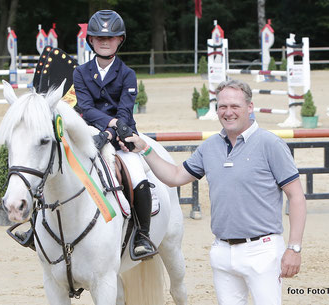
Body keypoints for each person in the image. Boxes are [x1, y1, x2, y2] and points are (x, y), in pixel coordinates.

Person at [122, 79, 307, 304]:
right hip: (222, 251)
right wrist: (146, 149)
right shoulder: (210, 147)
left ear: (250, 107)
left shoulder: (271, 144)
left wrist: (294, 248)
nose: (228, 112)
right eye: (222, 107)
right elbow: (175, 176)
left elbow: (296, 196)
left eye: (234, 106)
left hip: (263, 251)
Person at [73, 9, 156, 259]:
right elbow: (86, 109)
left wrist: (111, 134)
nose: (105, 41)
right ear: (91, 41)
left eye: (110, 38)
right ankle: (38, 228)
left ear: (120, 39)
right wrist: (110, 126)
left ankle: (143, 235)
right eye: (99, 38)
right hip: (88, 133)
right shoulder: (80, 72)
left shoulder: (128, 74)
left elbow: (125, 112)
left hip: (123, 136)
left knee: (137, 174)